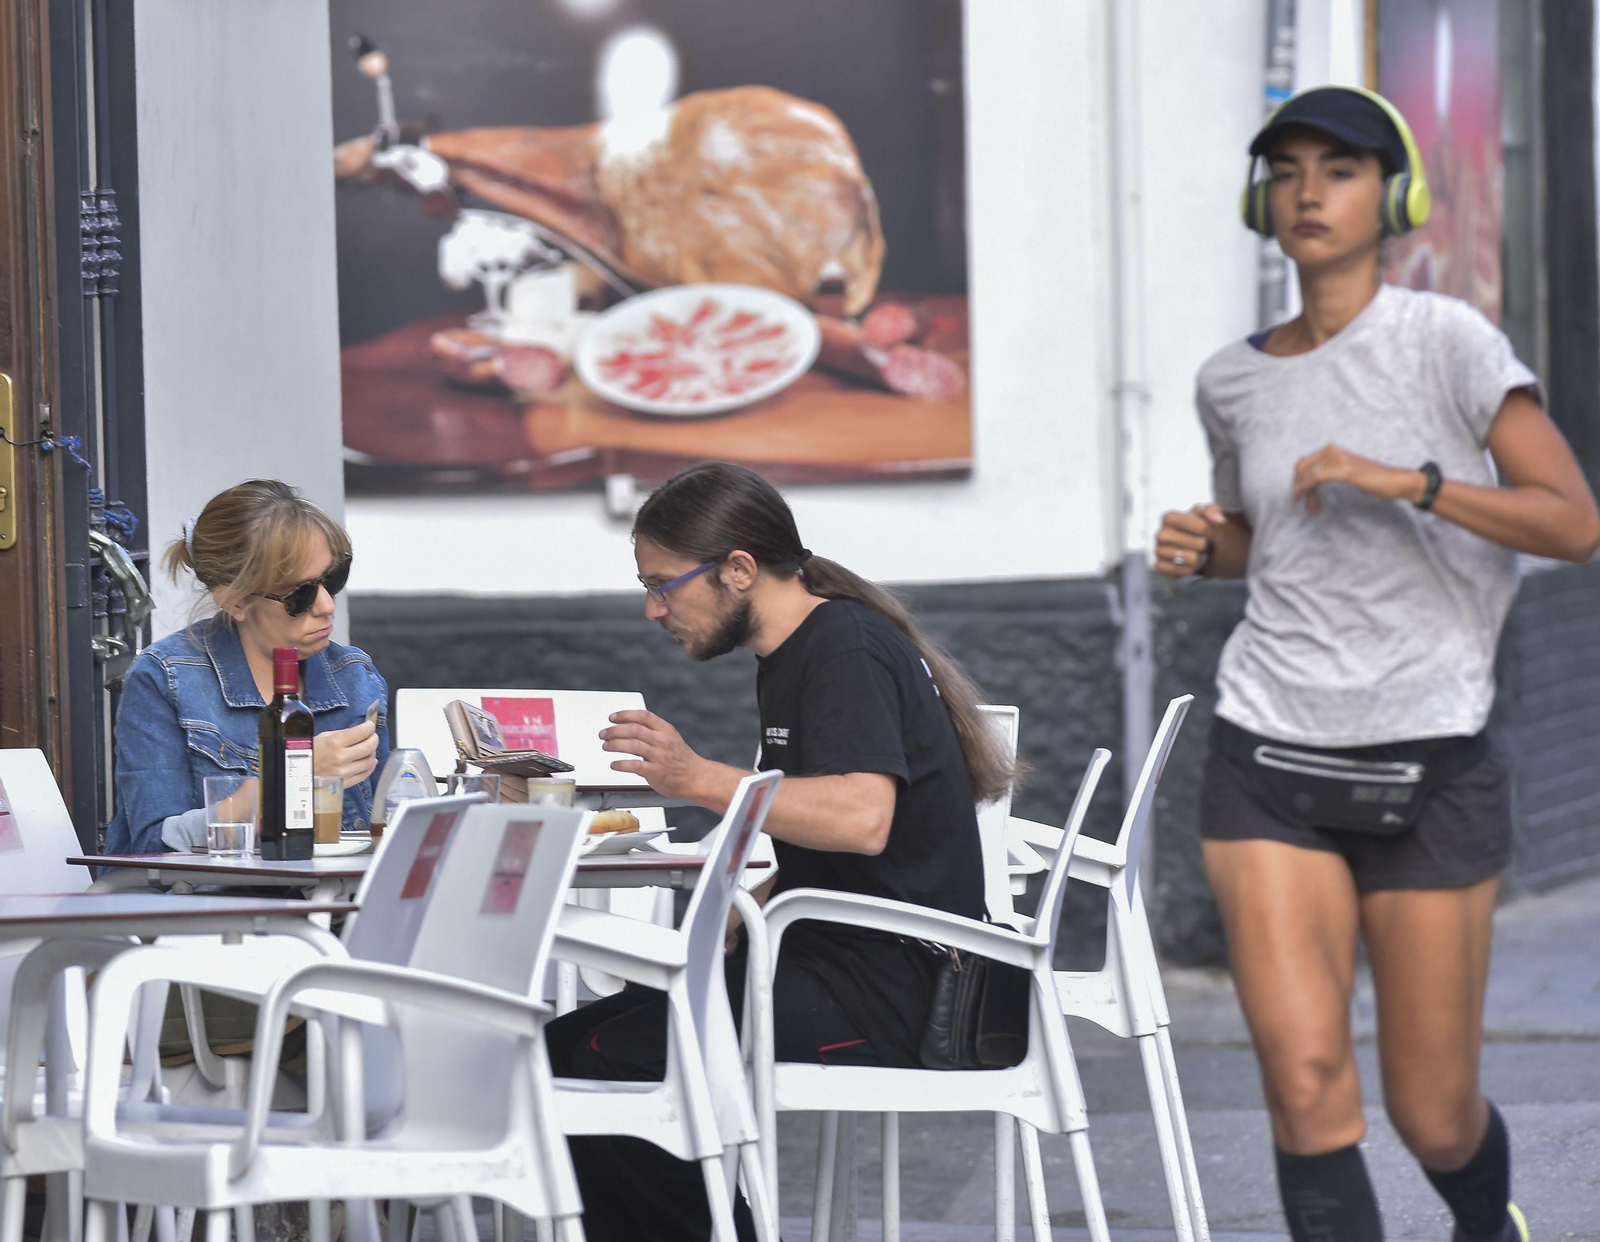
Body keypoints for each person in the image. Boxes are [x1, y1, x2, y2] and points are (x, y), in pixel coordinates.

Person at [1155, 86, 1600, 1242]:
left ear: (1392, 196)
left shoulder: (1449, 342)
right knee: (1304, 1084)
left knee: (1432, 1110)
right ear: (1264, 198)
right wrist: (1210, 550)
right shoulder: (1231, 379)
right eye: (1290, 169)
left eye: (1341, 168)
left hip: (1430, 763)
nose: (1310, 191)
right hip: (1266, 750)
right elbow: (1271, 541)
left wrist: (1409, 481)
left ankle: (1481, 1216)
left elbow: (1571, 522)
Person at [543, 460, 1015, 1242]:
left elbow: (863, 819)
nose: (654, 610)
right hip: (841, 963)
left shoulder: (843, 648)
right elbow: (846, 847)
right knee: (564, 1047)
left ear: (737, 571)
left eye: (665, 585)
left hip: (900, 991)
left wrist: (697, 778)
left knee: (591, 1062)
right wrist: (752, 904)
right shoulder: (798, 650)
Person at [106, 479, 391, 854]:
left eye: (333, 578)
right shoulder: (166, 677)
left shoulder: (353, 675)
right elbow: (152, 844)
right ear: (234, 601)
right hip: (212, 906)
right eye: (299, 594)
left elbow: (387, 824)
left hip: (331, 901)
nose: (325, 604)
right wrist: (293, 778)